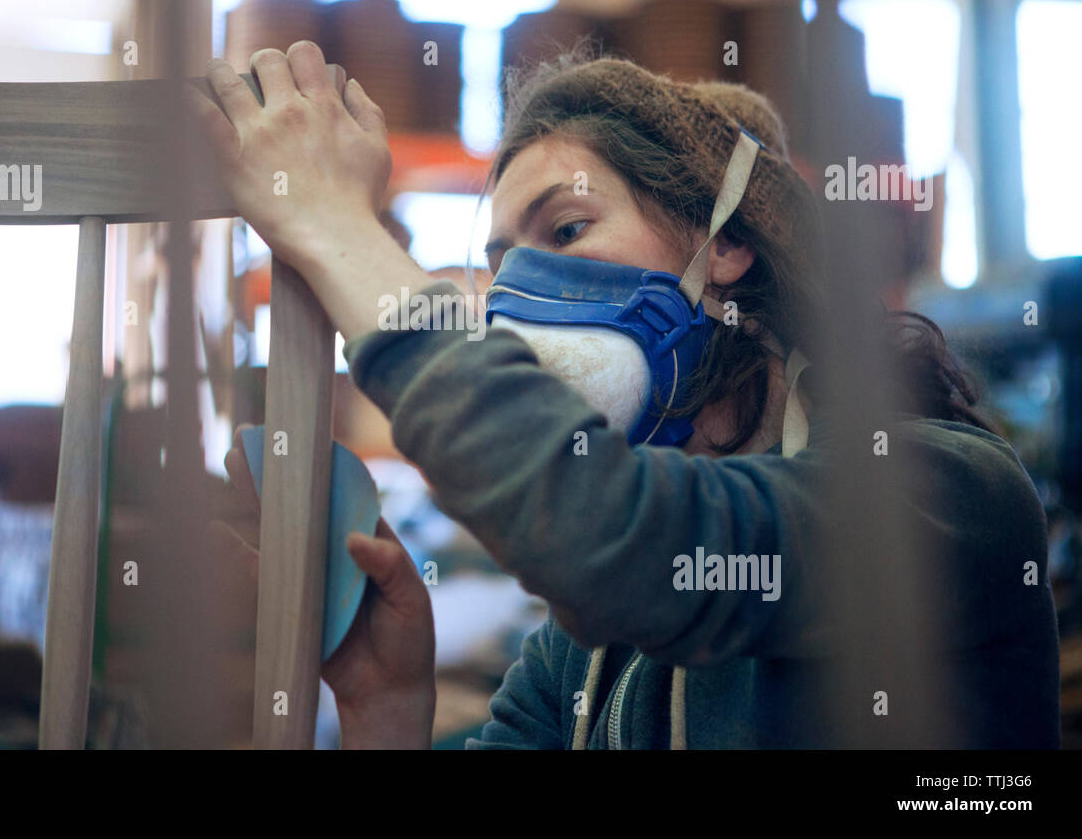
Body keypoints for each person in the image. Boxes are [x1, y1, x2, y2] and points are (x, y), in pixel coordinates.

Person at [191, 39, 1060, 749]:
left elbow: (638, 543)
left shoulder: (951, 495)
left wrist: (341, 234)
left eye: (567, 229)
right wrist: (387, 705)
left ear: (723, 246)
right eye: (504, 266)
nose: (525, 291)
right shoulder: (587, 650)